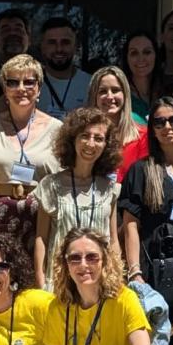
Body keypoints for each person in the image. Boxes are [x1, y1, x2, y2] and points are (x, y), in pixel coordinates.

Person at [120, 96, 173, 322]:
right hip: (154, 268)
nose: (167, 127)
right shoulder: (141, 170)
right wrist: (134, 272)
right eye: (159, 122)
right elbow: (130, 225)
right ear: (152, 130)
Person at [0, 54, 63, 251]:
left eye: (29, 82)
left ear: (39, 89)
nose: (21, 89)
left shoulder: (58, 130)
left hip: (42, 225)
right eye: (13, 82)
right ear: (4, 89)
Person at [34, 107, 122, 289]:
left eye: (98, 139)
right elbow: (41, 238)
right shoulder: (51, 185)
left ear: (106, 145)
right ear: (72, 138)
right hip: (60, 283)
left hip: (99, 284)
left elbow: (113, 240)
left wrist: (117, 279)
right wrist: (41, 281)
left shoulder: (109, 189)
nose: (90, 144)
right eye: (85, 136)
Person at [88, 66, 147, 182]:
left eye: (115, 90)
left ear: (125, 94)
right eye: (102, 91)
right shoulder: (84, 137)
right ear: (94, 97)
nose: (110, 97)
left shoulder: (144, 136)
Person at [37, 17, 91, 120]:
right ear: (42, 47)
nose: (59, 49)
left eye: (65, 42)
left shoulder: (91, 84)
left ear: (75, 46)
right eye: (52, 43)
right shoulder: (29, 83)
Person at [121, 31, 162, 124]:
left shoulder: (166, 93)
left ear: (156, 55)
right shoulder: (120, 96)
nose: (141, 58)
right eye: (134, 53)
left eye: (147, 52)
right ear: (126, 58)